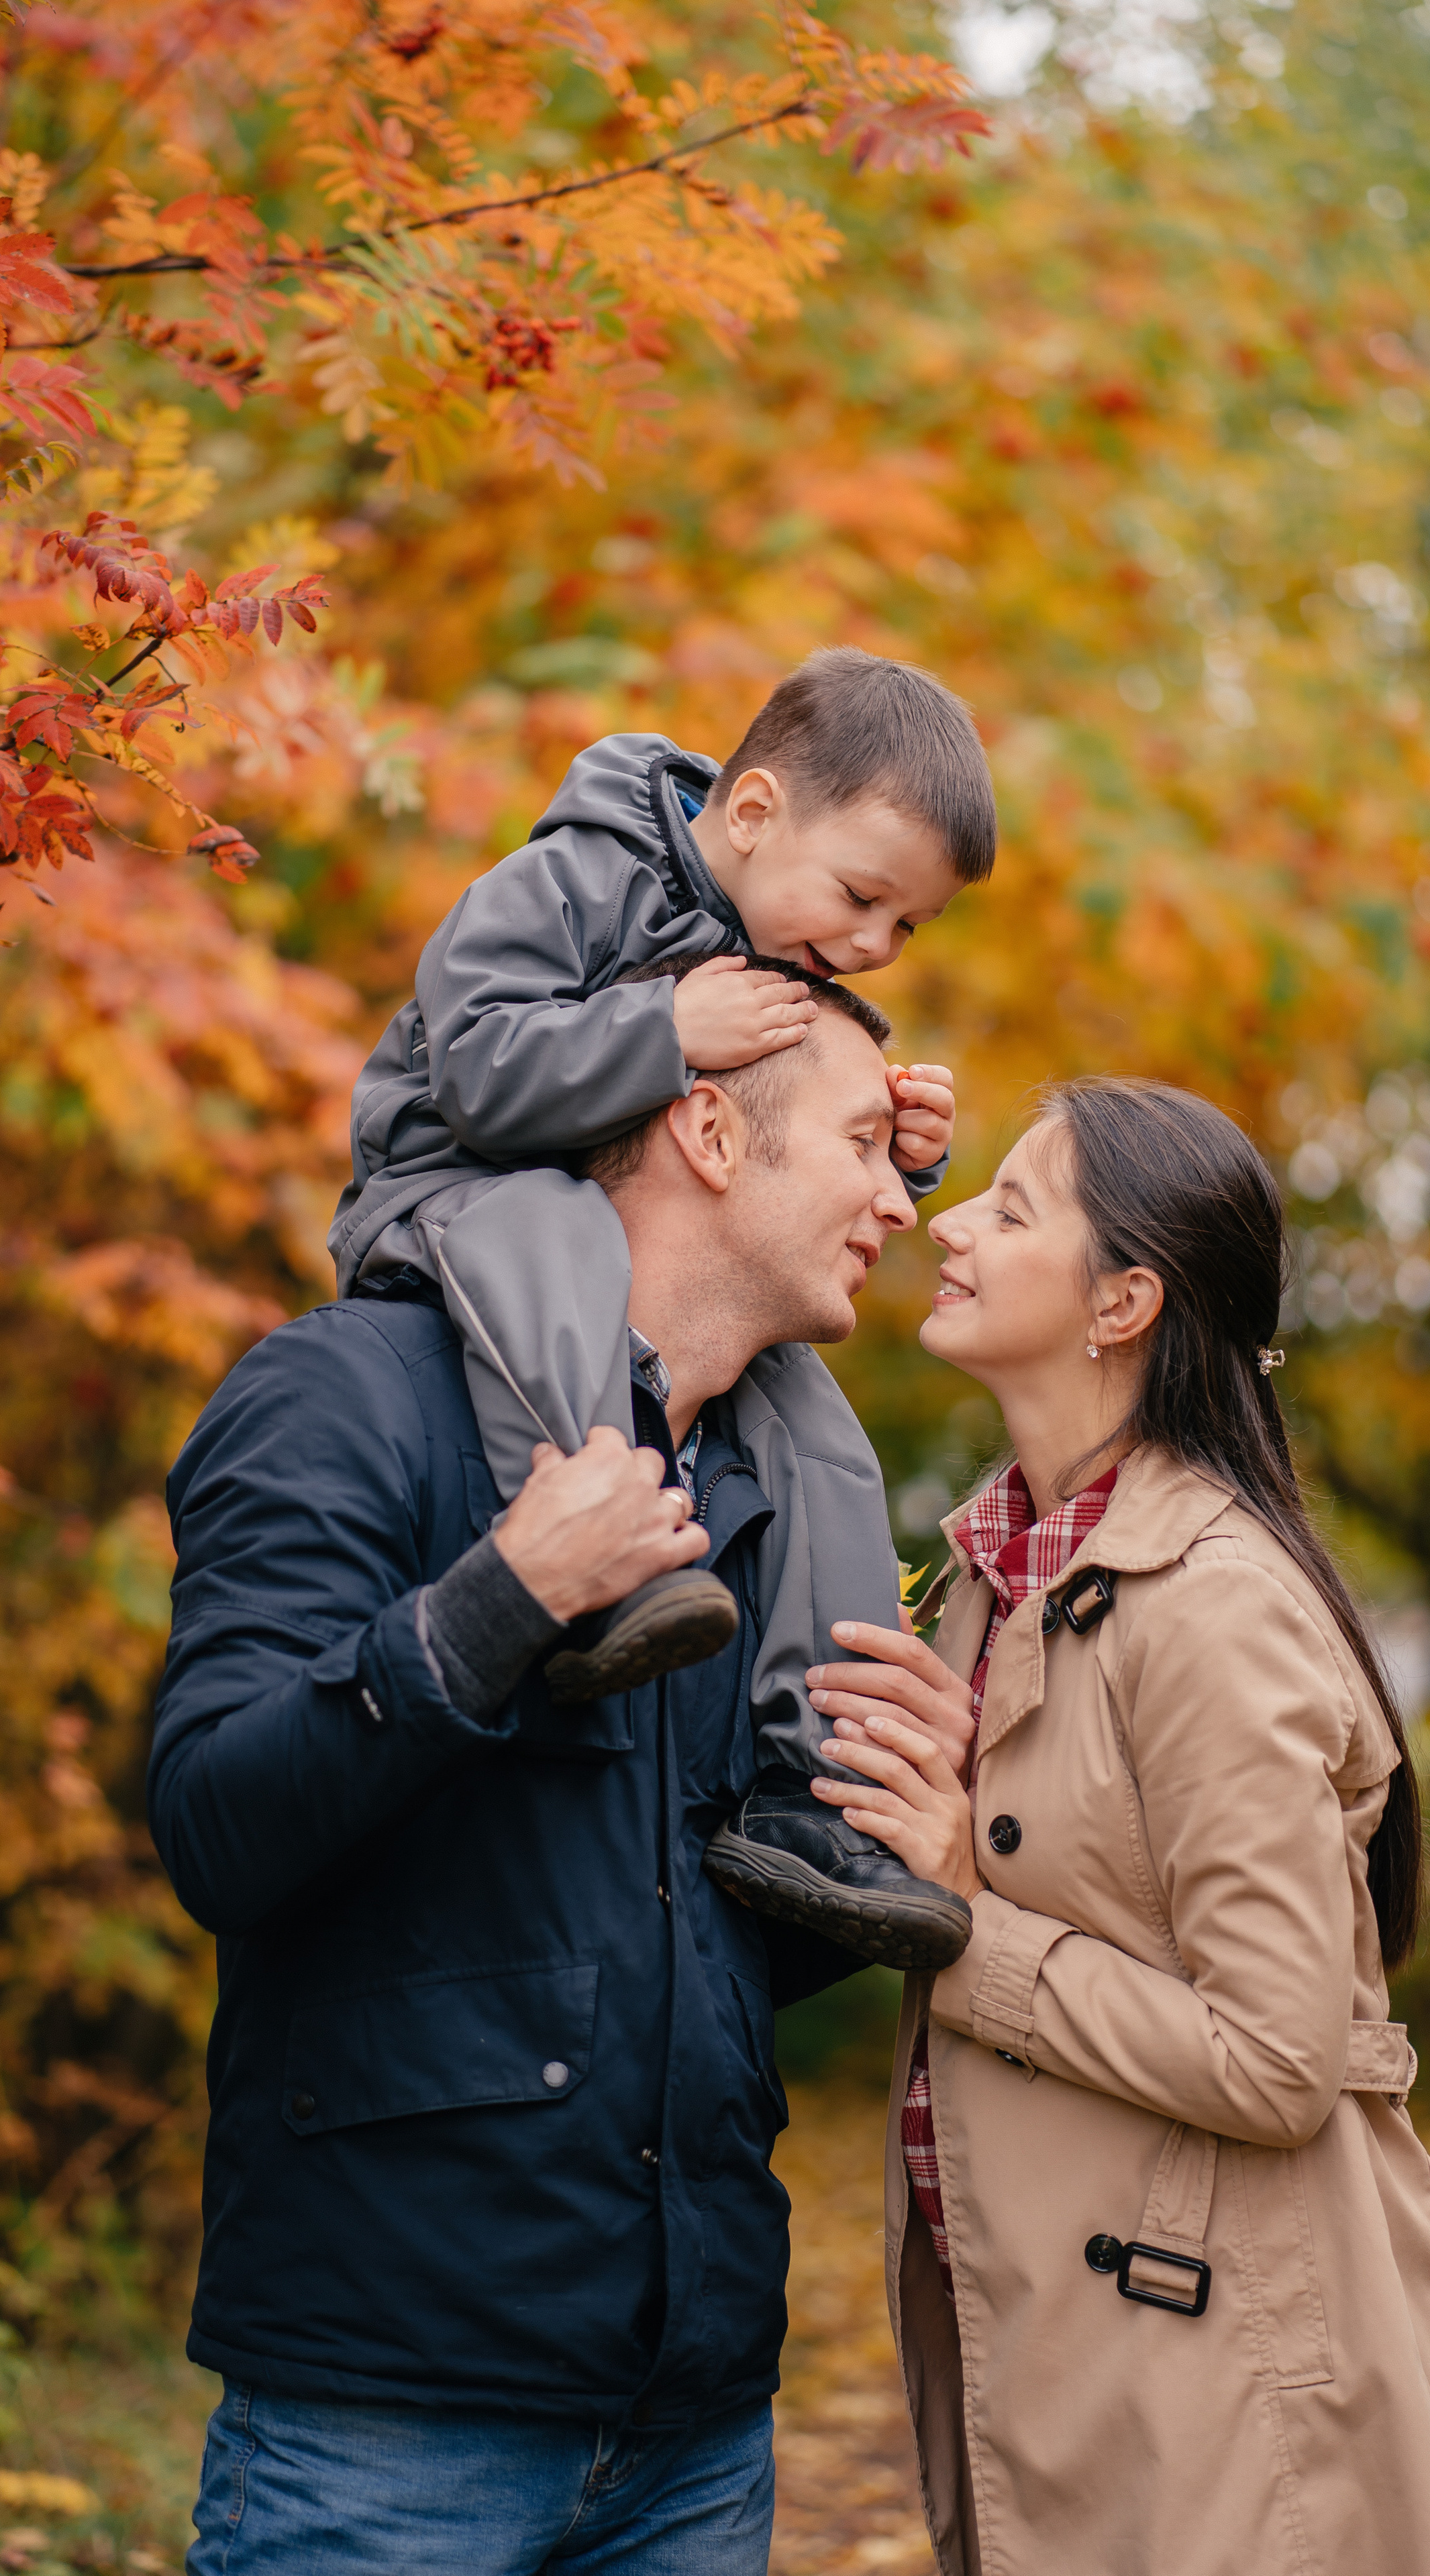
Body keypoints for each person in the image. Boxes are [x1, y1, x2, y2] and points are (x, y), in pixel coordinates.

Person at [153, 974, 927, 2575]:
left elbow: (683, 1946)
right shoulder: (347, 1396)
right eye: (863, 1143)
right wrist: (503, 1601)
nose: (897, 1196)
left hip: (695, 2430)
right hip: (387, 2430)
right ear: (709, 1128)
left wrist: (882, 1835)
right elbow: (217, 1829)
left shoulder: (759, 1493)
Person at [795, 1078, 1430, 2576]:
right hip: (1060, 2351)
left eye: (1011, 1206)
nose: (952, 1224)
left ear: (1121, 1299)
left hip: (1222, 2399)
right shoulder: (997, 1573)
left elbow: (1276, 2056)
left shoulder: (1215, 1610)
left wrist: (958, 1923)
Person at [325, 647, 997, 1968]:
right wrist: (666, 1031)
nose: (868, 947)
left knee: (814, 1433)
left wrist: (899, 1143)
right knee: (560, 1234)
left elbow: (773, 1141)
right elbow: (473, 1072)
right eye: (862, 897)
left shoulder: (777, 941)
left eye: (904, 931)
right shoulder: (578, 876)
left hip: (621, 1235)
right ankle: (597, 1571)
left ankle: (814, 1796)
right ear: (750, 816)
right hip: (460, 1186)